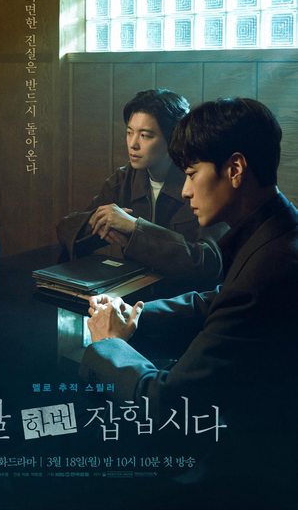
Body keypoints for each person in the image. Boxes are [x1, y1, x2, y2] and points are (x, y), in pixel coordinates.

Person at [81, 98, 298, 508]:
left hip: (246, 472)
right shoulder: (278, 232)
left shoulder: (270, 269)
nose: (184, 189)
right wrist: (137, 316)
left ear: (235, 169)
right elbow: (218, 301)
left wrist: (109, 344)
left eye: (193, 173)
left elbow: (167, 405)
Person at [57, 89, 227, 296]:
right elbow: (66, 229)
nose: (133, 144)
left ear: (172, 139)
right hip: (134, 296)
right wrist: (104, 222)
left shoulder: (199, 180)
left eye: (145, 135)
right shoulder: (125, 178)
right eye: (130, 132)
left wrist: (134, 227)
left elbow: (209, 262)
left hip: (186, 300)